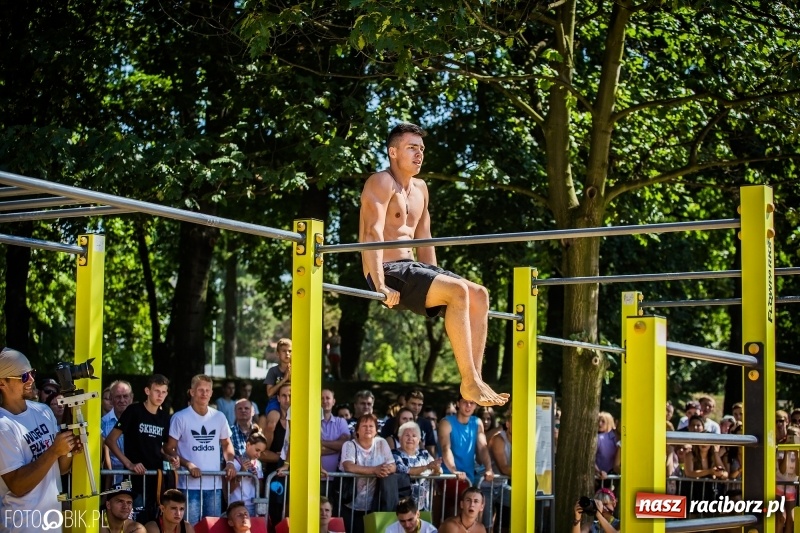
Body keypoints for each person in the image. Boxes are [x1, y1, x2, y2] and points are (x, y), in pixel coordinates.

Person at [359, 122, 508, 407]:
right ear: (393, 152)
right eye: (411, 148)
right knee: (458, 290)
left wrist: (439, 281)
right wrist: (380, 285)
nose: (419, 154)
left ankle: (474, 378)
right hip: (387, 271)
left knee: (479, 294)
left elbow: (425, 241)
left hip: (413, 269)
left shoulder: (421, 189)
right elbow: (371, 233)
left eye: (421, 149)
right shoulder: (381, 182)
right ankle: (470, 380)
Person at [0, 348, 81, 533]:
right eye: (23, 377)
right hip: (22, 526)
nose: (31, 380)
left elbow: (59, 469)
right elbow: (17, 485)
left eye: (32, 373)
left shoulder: (43, 411)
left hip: (52, 524)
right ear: (2, 383)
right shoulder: (3, 425)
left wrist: (68, 450)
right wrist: (54, 451)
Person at [162, 374, 237, 525]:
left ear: (211, 393)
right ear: (192, 392)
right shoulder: (180, 417)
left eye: (207, 390)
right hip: (188, 486)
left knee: (212, 527)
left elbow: (227, 444)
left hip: (214, 485)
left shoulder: (219, 417)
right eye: (200, 390)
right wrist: (188, 464)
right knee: (190, 527)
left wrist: (230, 463)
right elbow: (169, 448)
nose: (204, 393)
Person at [105, 374, 175, 524]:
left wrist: (170, 458)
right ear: (147, 391)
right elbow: (110, 440)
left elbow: (160, 447)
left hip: (156, 481)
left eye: (163, 392)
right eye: (157, 391)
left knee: (154, 523)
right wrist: (129, 463)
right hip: (134, 481)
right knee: (134, 524)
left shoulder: (164, 417)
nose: (160, 395)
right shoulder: (133, 410)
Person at [438, 394, 493, 520]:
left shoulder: (477, 422)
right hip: (449, 475)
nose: (468, 406)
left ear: (476, 405)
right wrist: (454, 470)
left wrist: (489, 468)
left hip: (469, 478)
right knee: (465, 503)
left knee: (478, 504)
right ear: (458, 404)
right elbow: (446, 448)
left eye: (472, 403)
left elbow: (483, 447)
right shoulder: (446, 422)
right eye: (465, 402)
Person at [340, 413, 397, 533]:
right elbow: (348, 466)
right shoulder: (349, 445)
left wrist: (385, 469)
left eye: (371, 426)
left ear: (376, 430)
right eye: (364, 426)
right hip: (351, 502)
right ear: (357, 430)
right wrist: (374, 470)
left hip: (376, 502)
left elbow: (393, 466)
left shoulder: (382, 442)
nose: (368, 429)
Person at [392, 421, 441, 510]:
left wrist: (436, 468)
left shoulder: (424, 453)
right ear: (400, 438)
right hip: (403, 503)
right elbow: (403, 470)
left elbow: (438, 470)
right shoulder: (395, 454)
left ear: (418, 440)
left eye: (414, 436)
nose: (410, 438)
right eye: (407, 435)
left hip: (424, 503)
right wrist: (427, 467)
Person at [383, 390, 437, 456]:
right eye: (413, 404)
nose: (416, 408)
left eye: (419, 405)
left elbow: (431, 449)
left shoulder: (426, 424)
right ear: (405, 403)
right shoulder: (391, 423)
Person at [227, 428, 266, 516]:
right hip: (236, 505)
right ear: (248, 445)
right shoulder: (234, 462)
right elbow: (229, 489)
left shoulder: (258, 464)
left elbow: (260, 490)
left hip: (253, 505)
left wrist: (256, 478)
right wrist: (241, 472)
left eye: (261, 452)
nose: (259, 454)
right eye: (257, 450)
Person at [102, 380, 133, 487]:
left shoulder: (140, 421)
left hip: (136, 477)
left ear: (132, 397)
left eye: (125, 396)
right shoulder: (103, 423)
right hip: (113, 480)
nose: (122, 400)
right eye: (118, 397)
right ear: (111, 398)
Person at [321, 389, 350, 475]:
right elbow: (310, 448)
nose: (325, 401)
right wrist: (336, 449)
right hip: (314, 477)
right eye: (322, 398)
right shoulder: (311, 422)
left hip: (337, 477)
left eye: (327, 398)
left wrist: (320, 442)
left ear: (333, 402)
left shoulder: (341, 422)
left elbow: (345, 445)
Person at [264, 339, 292, 414]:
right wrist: (284, 379)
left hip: (293, 401)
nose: (287, 354)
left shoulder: (297, 371)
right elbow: (269, 393)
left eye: (290, 351)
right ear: (277, 353)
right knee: (273, 418)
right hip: (275, 402)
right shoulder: (273, 371)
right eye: (284, 351)